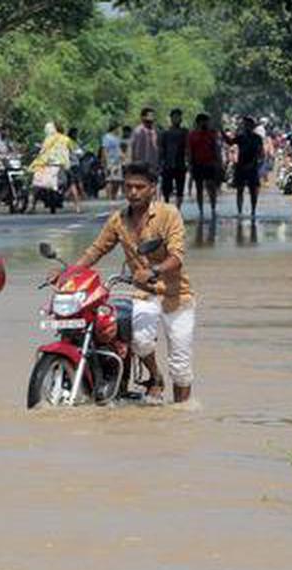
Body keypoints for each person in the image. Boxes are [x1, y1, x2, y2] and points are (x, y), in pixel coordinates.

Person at [65, 162, 195, 403]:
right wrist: (69, 272)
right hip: (144, 294)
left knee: (180, 365)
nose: (133, 192)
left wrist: (154, 270)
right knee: (140, 340)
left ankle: (181, 414)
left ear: (152, 189)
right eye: (128, 187)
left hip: (177, 296)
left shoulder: (169, 214)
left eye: (139, 187)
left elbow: (177, 256)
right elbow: (96, 250)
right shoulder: (118, 220)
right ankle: (155, 377)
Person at [186, 113, 223, 220]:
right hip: (197, 164)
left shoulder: (211, 134)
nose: (207, 123)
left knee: (211, 187)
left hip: (210, 164)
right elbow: (189, 151)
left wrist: (219, 164)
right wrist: (190, 164)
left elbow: (216, 149)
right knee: (199, 188)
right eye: (205, 121)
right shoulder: (192, 135)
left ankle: (213, 208)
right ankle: (201, 210)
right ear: (199, 122)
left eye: (207, 121)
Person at [226, 116, 264, 219]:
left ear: (252, 126)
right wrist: (222, 133)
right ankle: (240, 212)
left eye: (248, 124)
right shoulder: (241, 137)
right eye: (245, 124)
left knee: (253, 191)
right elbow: (230, 142)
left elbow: (260, 153)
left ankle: (253, 211)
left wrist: (255, 163)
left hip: (252, 167)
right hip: (241, 166)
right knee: (240, 190)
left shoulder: (257, 138)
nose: (246, 126)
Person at [158, 108, 188, 208]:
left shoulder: (185, 132)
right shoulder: (165, 133)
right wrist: (161, 163)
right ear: (171, 118)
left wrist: (188, 161)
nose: (176, 119)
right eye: (174, 117)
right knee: (166, 190)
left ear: (181, 119)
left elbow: (188, 148)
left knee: (180, 190)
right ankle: (167, 209)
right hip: (167, 165)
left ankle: (178, 209)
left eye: (178, 117)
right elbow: (161, 149)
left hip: (180, 164)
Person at [129, 107, 159, 173]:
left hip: (152, 167)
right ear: (143, 117)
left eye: (152, 116)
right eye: (149, 116)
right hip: (139, 166)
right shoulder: (138, 131)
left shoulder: (154, 132)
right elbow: (132, 148)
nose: (151, 118)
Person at [101, 123, 124, 201]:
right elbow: (104, 149)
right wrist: (105, 161)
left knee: (117, 180)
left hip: (117, 162)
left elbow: (118, 149)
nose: (120, 130)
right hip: (110, 161)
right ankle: (109, 198)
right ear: (115, 128)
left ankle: (114, 196)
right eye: (118, 128)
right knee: (109, 180)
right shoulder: (107, 137)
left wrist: (123, 156)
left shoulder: (117, 138)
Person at [66, 127, 86, 214]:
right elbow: (79, 153)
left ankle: (76, 200)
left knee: (75, 183)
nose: (76, 135)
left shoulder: (69, 142)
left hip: (71, 165)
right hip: (72, 165)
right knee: (74, 184)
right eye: (75, 133)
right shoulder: (70, 142)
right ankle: (77, 206)